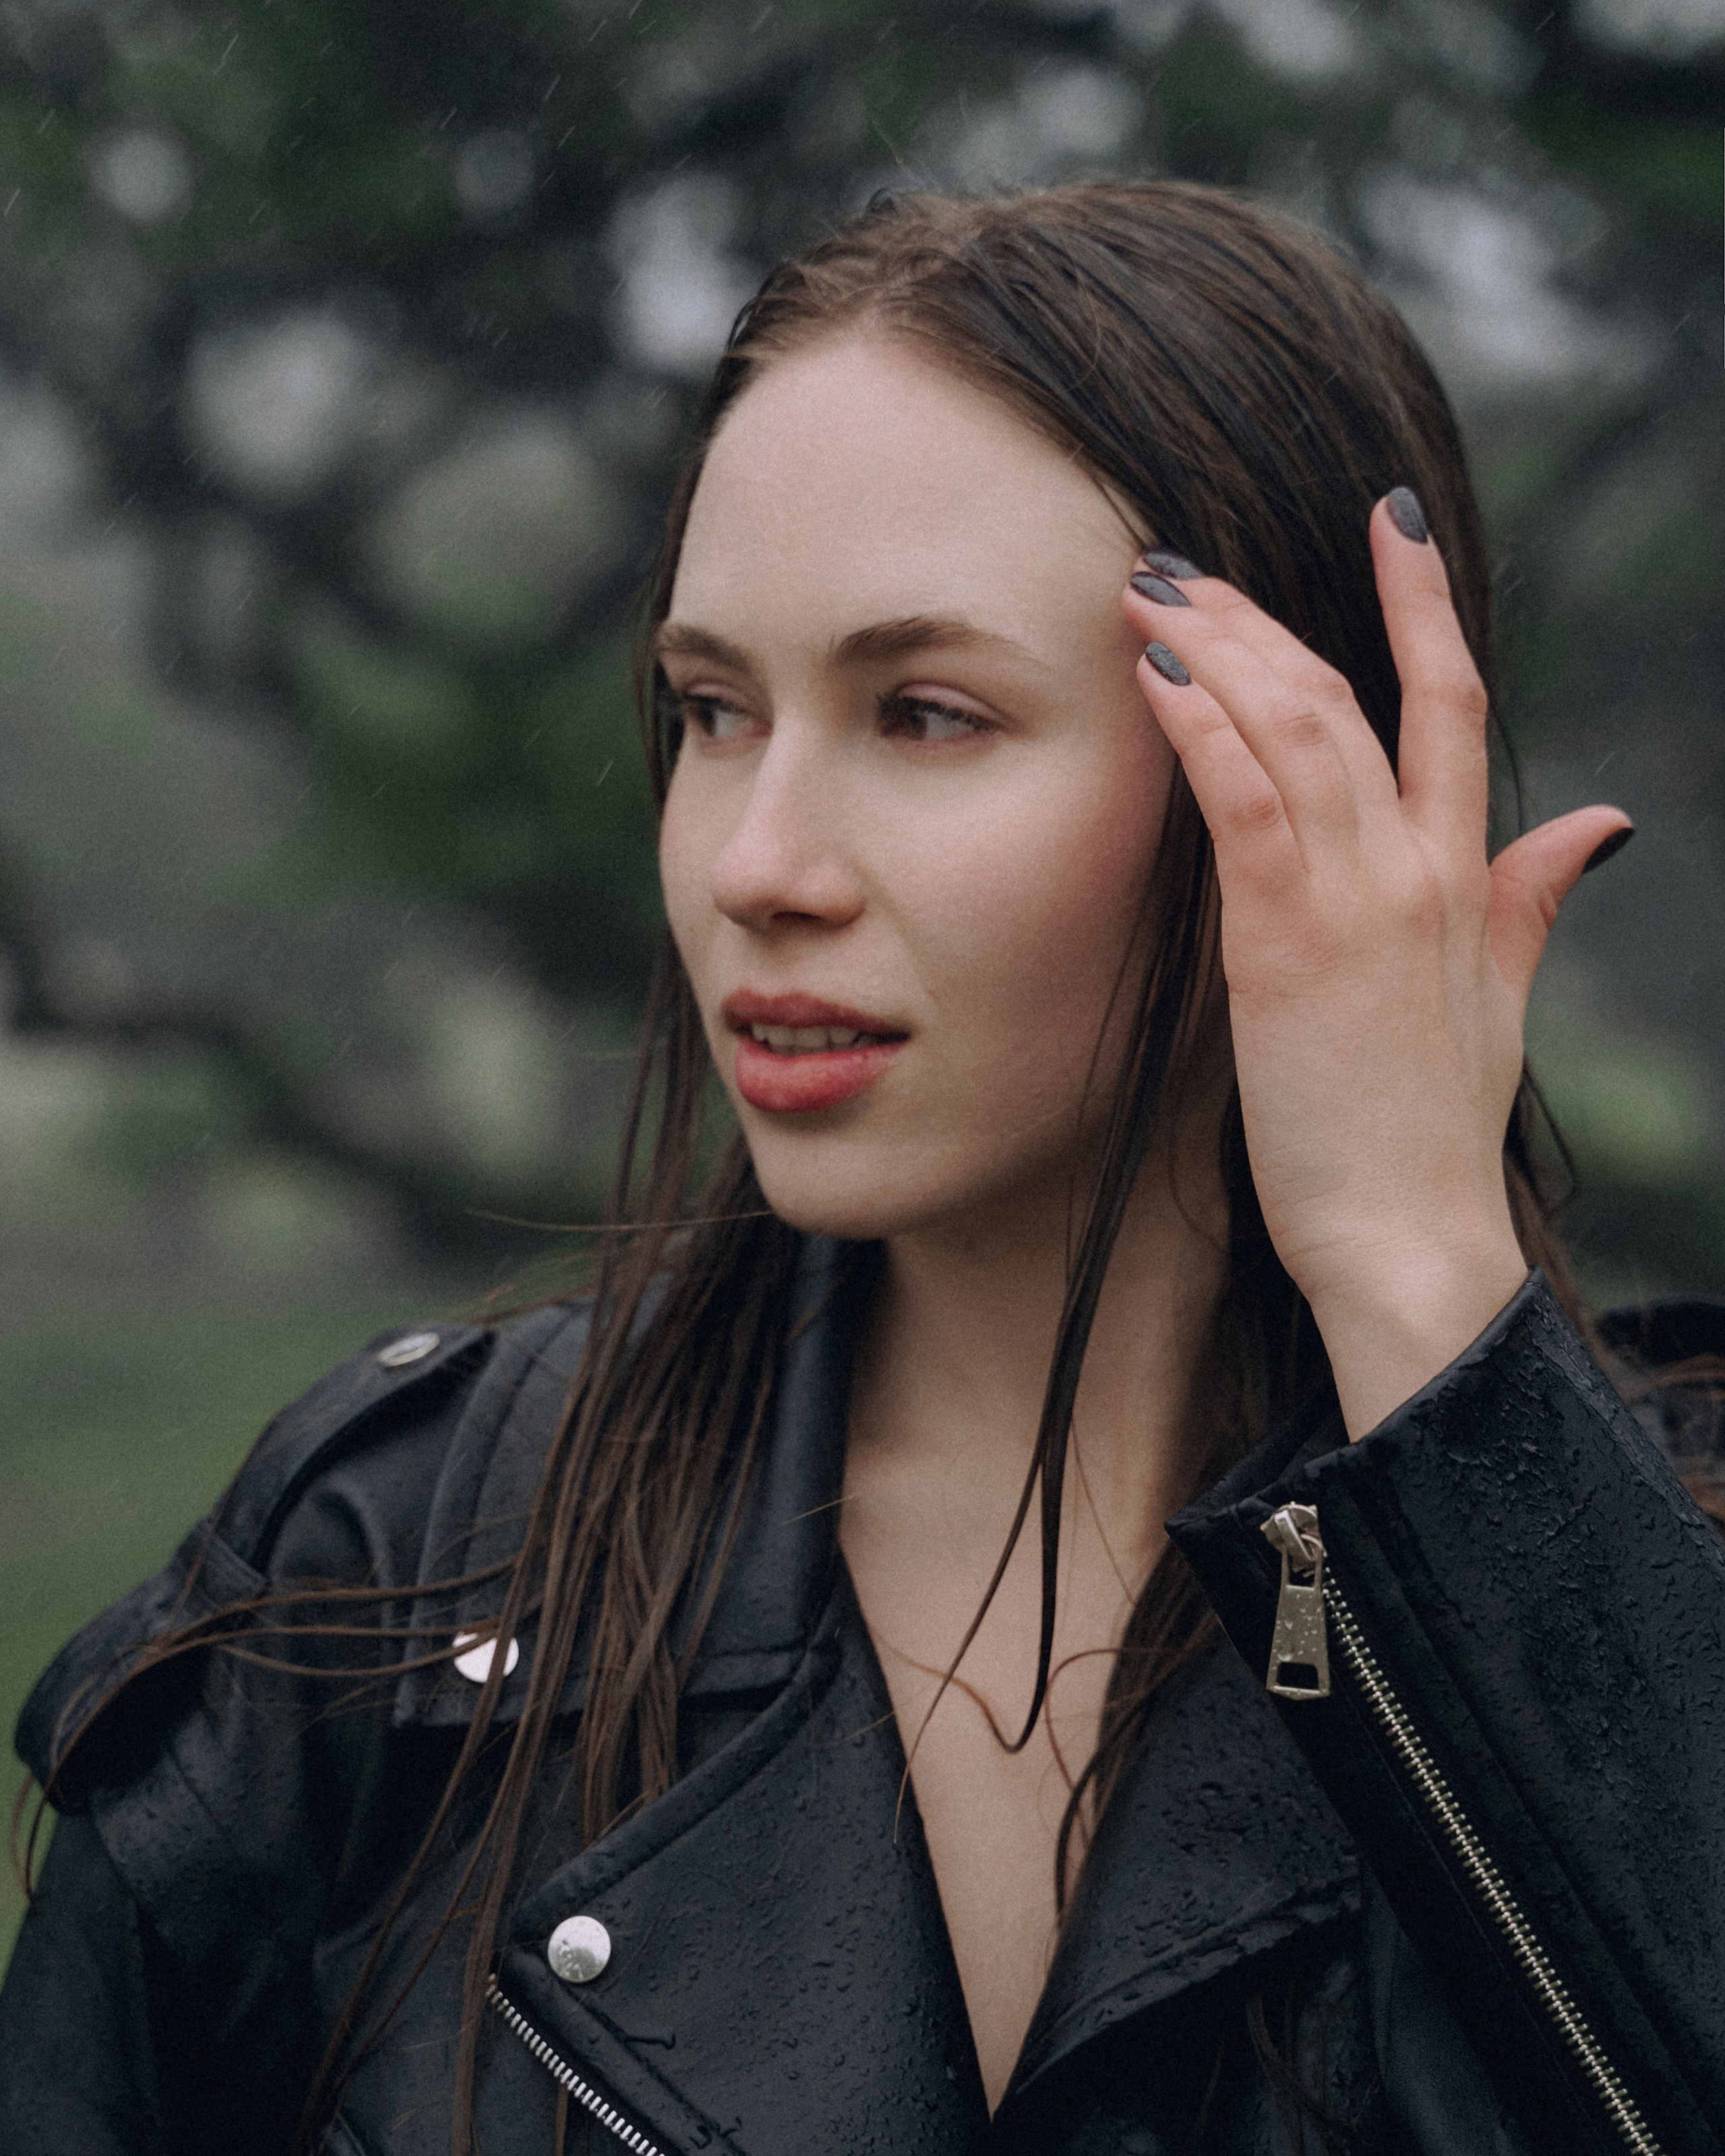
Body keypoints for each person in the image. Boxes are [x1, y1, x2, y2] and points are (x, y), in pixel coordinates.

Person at [2, 179, 1722, 2156]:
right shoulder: (389, 1589)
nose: (756, 863)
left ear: (1311, 763)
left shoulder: (1652, 1577)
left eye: (927, 713)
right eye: (711, 709)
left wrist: (1423, 1286)